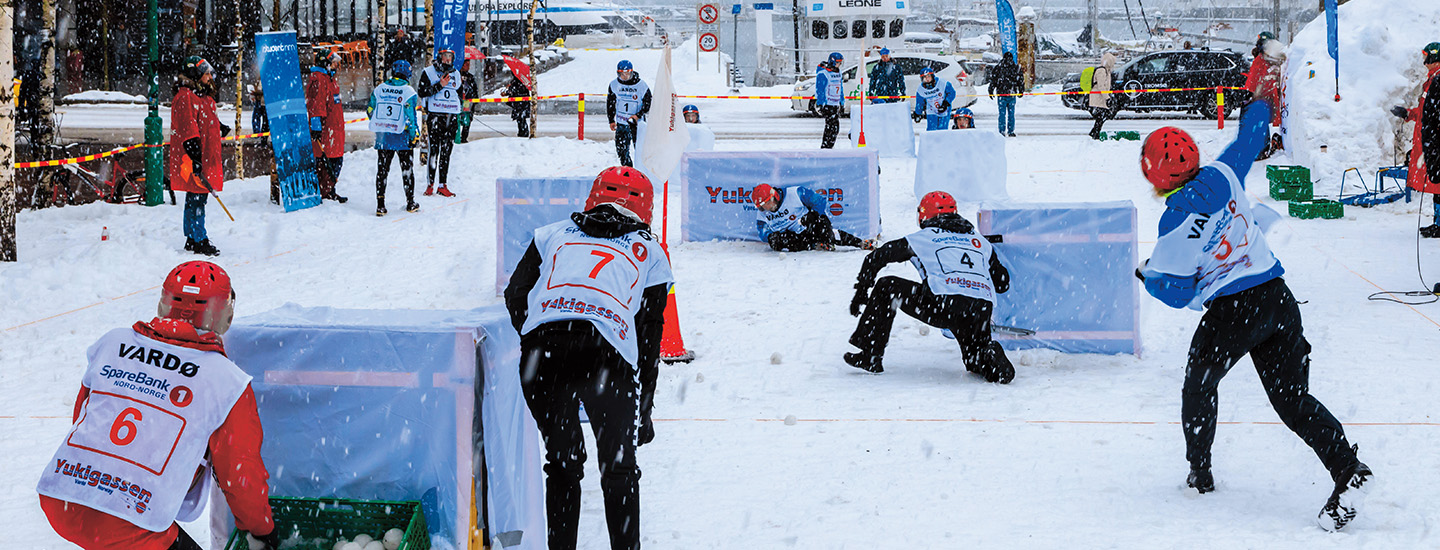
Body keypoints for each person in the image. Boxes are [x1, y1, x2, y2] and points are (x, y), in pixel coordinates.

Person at [1136, 101, 1371, 531]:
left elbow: (1178, 291)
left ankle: (1200, 472)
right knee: (1294, 400)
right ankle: (1348, 468)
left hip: (1232, 311)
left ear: (1154, 177)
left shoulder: (1173, 222)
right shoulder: (1224, 173)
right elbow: (1251, 137)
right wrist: (1257, 103)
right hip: (1277, 298)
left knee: (1199, 384)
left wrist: (1148, 277)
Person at [37, 261, 279, 550]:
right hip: (130, 521)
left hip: (62, 497)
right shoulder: (225, 381)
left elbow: (85, 418)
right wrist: (261, 529)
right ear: (222, 315)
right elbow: (241, 474)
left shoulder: (113, 343)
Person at [504, 167, 672, 550]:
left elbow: (516, 293)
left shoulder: (551, 233)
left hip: (543, 354)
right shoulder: (651, 251)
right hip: (606, 356)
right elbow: (650, 338)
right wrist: (643, 409)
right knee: (619, 471)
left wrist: (535, 341)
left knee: (562, 466)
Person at [843, 191, 1013, 381]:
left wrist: (861, 290)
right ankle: (990, 357)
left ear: (923, 215)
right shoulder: (979, 241)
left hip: (944, 304)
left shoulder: (924, 237)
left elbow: (876, 257)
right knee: (974, 362)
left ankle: (870, 355)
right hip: (979, 309)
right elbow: (1003, 284)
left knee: (887, 286)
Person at [168, 56, 229, 257]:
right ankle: (199, 238)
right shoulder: (186, 97)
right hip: (196, 157)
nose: (210, 77)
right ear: (196, 75)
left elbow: (205, 119)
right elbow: (189, 129)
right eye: (206, 74)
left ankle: (193, 237)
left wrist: (219, 127)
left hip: (204, 156)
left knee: (196, 197)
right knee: (198, 198)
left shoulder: (203, 97)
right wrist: (195, 158)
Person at [1389, 42, 1440, 238]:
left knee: (1438, 182)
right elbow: (1426, 111)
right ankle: (1437, 221)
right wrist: (1407, 114)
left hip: (1434, 140)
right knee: (1437, 183)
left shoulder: (1438, 81)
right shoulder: (1432, 80)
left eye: (1426, 56)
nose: (1424, 61)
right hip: (1429, 139)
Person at [751, 183, 875, 252]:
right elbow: (762, 233)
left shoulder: (795, 193)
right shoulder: (762, 213)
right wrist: (770, 237)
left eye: (766, 204)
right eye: (761, 207)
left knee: (821, 224)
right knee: (776, 242)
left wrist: (814, 214)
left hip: (808, 225)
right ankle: (815, 244)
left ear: (775, 197)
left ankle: (858, 243)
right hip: (792, 236)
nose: (765, 208)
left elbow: (819, 201)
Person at [368, 60, 421, 216]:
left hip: (383, 137)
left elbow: (370, 110)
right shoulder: (408, 92)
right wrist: (413, 136)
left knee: (382, 171)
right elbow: (410, 117)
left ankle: (380, 205)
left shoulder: (379, 89)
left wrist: (382, 122)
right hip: (402, 137)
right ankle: (410, 202)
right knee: (407, 170)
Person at [417, 49, 463, 197]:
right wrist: (439, 86)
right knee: (434, 150)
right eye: (445, 56)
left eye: (450, 57)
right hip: (435, 115)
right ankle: (430, 184)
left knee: (446, 151)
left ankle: (443, 184)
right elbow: (422, 92)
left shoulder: (456, 73)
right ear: (439, 57)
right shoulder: (429, 72)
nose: (448, 60)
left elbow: (460, 94)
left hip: (451, 116)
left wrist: (461, 111)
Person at [307, 50, 349, 203]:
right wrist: (316, 127)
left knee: (335, 161)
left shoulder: (328, 78)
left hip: (334, 130)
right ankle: (326, 193)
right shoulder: (319, 79)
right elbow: (316, 106)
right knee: (328, 163)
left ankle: (330, 190)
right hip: (327, 132)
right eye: (333, 62)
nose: (336, 65)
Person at [1246, 32, 1287, 158]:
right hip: (1266, 93)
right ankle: (1261, 148)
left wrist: (1250, 92)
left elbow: (1255, 77)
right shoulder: (1272, 58)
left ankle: (1261, 149)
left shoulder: (1263, 59)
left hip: (1262, 94)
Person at [607, 60, 651, 167]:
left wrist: (638, 115)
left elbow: (648, 103)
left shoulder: (641, 85)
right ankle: (628, 170)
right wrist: (611, 120)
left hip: (637, 124)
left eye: (627, 74)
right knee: (622, 151)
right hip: (621, 123)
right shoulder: (614, 85)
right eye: (622, 74)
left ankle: (642, 170)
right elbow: (610, 103)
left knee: (640, 150)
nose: (624, 76)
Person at [988, 51, 1022, 137]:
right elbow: (1020, 80)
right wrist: (1021, 90)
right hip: (1011, 93)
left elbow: (993, 80)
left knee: (1002, 114)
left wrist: (991, 90)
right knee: (1011, 114)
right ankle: (1011, 131)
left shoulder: (998, 68)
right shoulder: (1016, 68)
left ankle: (1002, 131)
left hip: (1001, 94)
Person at [911, 66, 955, 131]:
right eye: (925, 78)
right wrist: (918, 113)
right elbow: (920, 103)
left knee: (942, 128)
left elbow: (952, 93)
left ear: (932, 76)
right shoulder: (921, 89)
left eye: (929, 76)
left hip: (944, 108)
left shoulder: (942, 83)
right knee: (931, 129)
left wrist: (946, 103)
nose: (927, 79)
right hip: (931, 109)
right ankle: (931, 140)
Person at [815, 52, 844, 149]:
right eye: (838, 62)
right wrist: (820, 103)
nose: (839, 65)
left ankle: (829, 146)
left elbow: (840, 88)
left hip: (835, 104)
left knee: (835, 127)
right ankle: (826, 146)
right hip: (828, 104)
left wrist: (841, 101)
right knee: (831, 127)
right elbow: (820, 90)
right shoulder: (824, 73)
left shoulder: (838, 72)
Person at [1087, 51, 1117, 140]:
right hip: (1097, 98)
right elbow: (1101, 86)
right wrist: (1107, 98)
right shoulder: (1101, 71)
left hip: (1101, 98)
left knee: (1101, 118)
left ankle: (1094, 133)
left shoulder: (1107, 71)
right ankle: (1094, 135)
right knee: (1101, 117)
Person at [456, 58, 479, 143]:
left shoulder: (470, 77)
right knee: (457, 119)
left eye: (469, 64)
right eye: (466, 64)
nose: (468, 66)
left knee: (467, 119)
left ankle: (464, 137)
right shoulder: (456, 75)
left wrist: (475, 100)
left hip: (467, 102)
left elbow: (474, 89)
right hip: (458, 101)